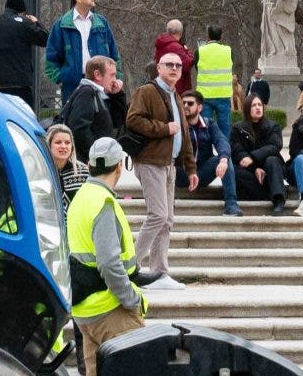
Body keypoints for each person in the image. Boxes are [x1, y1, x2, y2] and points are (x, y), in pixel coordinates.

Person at [65, 137, 147, 376]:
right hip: (110, 308)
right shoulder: (103, 203)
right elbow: (110, 264)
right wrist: (131, 298)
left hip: (86, 310)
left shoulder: (81, 198)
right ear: (119, 168)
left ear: (88, 165)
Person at [123, 50, 194, 287]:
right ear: (159, 68)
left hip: (169, 164)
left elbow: (183, 134)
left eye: (178, 65)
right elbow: (133, 120)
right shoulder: (147, 91)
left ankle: (159, 273)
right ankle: (129, 268)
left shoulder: (176, 95)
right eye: (169, 64)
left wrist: (191, 168)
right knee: (158, 215)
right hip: (150, 161)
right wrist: (164, 128)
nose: (174, 68)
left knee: (167, 219)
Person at [229, 94, 298, 216]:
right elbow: (236, 150)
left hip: (270, 169)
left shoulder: (273, 126)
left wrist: (252, 158)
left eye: (259, 105)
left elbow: (274, 146)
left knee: (272, 160)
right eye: (254, 105)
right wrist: (255, 168)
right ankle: (267, 192)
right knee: (232, 169)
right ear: (247, 108)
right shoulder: (237, 128)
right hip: (249, 171)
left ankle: (278, 200)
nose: (257, 108)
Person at [44, 0, 118, 92]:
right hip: (72, 88)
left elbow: (114, 54)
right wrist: (62, 78)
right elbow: (51, 58)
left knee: (101, 110)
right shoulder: (61, 25)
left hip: (102, 85)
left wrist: (116, 78)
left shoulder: (102, 23)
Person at [182, 88, 238, 216]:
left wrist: (223, 159)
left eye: (190, 103)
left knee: (225, 158)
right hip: (181, 174)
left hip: (202, 173)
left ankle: (231, 204)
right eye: (183, 103)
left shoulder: (209, 124)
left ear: (200, 108)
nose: (185, 106)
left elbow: (221, 141)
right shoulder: (176, 125)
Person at [0, 0, 44, 110]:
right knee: (23, 119)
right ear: (21, 11)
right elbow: (45, 39)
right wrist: (36, 22)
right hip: (20, 84)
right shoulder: (23, 23)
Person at [63, 55, 125, 159]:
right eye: (112, 75)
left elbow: (118, 121)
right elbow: (79, 129)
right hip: (88, 163)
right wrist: (97, 156)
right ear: (97, 74)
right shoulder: (86, 93)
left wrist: (117, 95)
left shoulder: (98, 94)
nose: (115, 80)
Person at [193, 25, 237, 142]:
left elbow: (198, 69)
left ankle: (205, 155)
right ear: (221, 36)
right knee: (224, 129)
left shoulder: (199, 51)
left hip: (205, 95)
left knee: (205, 128)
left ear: (207, 36)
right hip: (223, 95)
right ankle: (225, 156)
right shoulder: (228, 51)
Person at [45, 119, 88, 201]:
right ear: (49, 145)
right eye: (58, 142)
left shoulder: (84, 172)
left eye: (67, 142)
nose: (64, 146)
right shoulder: (41, 169)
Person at [153, 16, 196, 95]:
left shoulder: (161, 44)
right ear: (181, 32)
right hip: (176, 86)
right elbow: (187, 64)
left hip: (163, 84)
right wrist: (187, 51)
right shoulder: (176, 47)